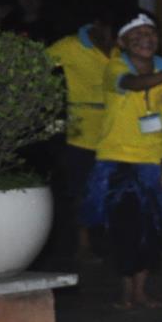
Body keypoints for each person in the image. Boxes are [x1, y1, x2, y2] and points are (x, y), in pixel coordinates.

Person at [83, 11, 162, 309]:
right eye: (136, 35)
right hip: (118, 162)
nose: (145, 39)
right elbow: (133, 83)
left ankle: (141, 291)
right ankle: (126, 291)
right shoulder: (115, 67)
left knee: (151, 231)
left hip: (153, 161)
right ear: (122, 42)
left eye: (150, 33)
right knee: (124, 229)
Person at [46, 13, 118, 258]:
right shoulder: (70, 46)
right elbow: (36, 65)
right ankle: (83, 241)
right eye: (109, 32)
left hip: (115, 130)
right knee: (80, 188)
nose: (111, 39)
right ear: (97, 25)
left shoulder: (121, 46)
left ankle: (111, 239)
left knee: (112, 188)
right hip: (82, 132)